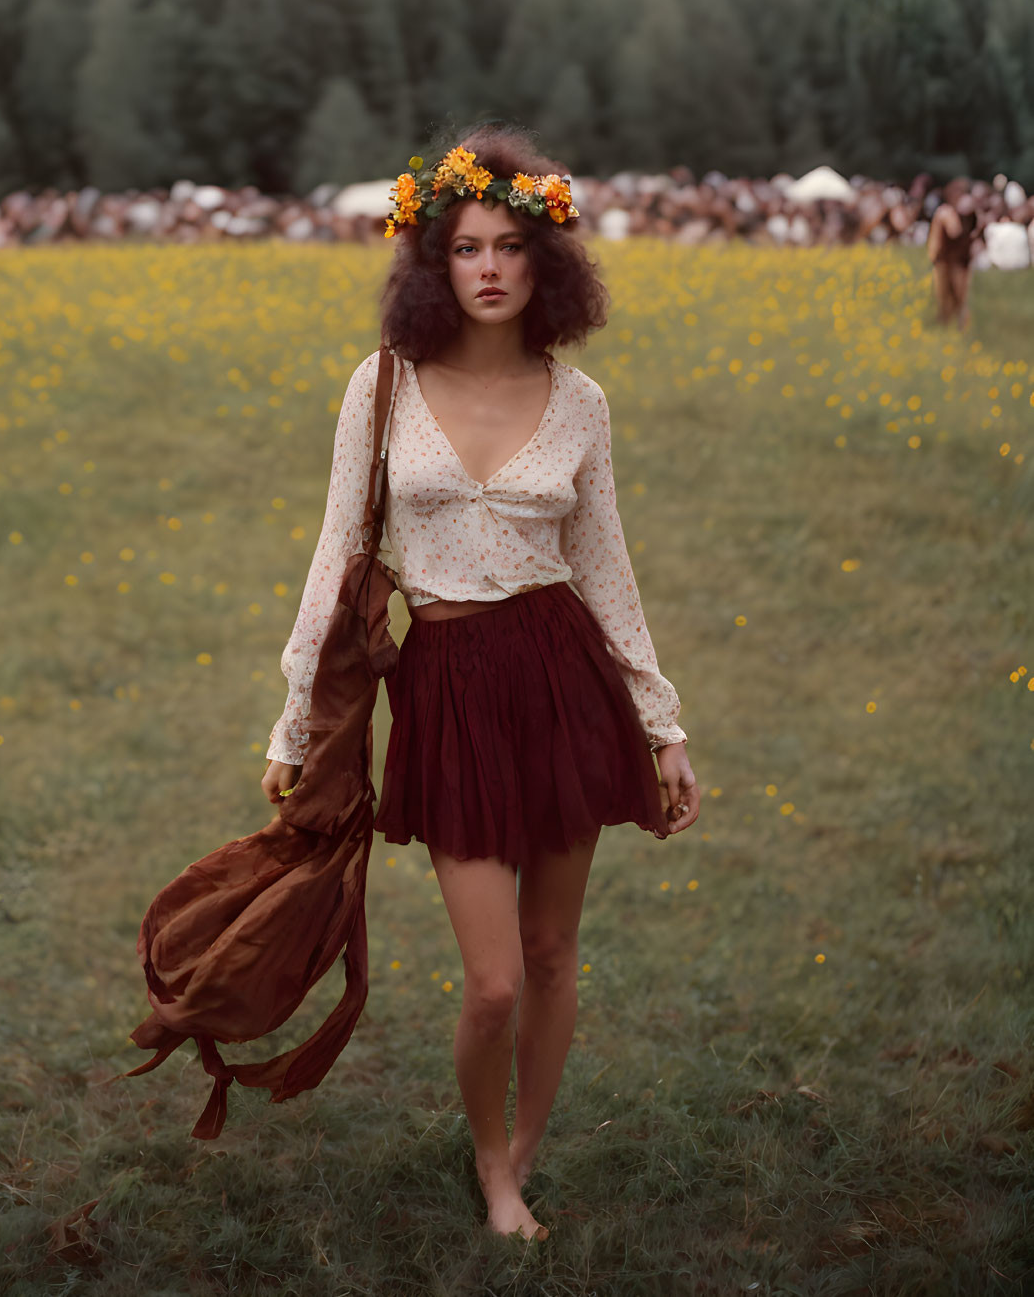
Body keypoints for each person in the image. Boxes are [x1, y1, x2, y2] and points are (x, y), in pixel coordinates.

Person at [260, 124, 699, 1243]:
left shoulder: (581, 401)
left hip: (564, 680)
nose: (491, 266)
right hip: (447, 689)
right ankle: (487, 1154)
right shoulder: (386, 383)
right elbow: (332, 551)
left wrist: (663, 724)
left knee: (553, 952)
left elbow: (606, 566)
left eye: (511, 245)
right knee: (493, 978)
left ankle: (520, 1159)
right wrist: (295, 716)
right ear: (433, 260)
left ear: (545, 260)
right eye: (466, 246)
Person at [927, 178, 981, 328]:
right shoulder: (945, 212)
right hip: (944, 262)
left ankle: (959, 332)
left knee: (961, 300)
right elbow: (954, 231)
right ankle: (946, 330)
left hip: (959, 262)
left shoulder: (968, 213)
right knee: (944, 300)